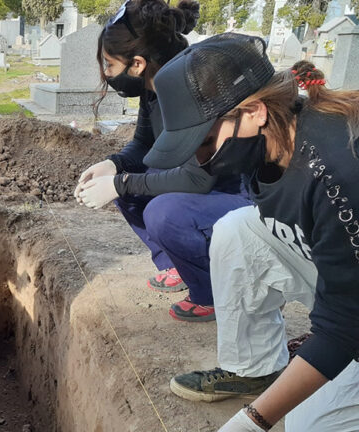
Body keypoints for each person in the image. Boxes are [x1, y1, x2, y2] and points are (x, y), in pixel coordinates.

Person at [143, 33, 359, 431]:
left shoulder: (339, 173)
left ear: (255, 111)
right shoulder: (274, 141)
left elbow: (347, 326)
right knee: (237, 230)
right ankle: (253, 369)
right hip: (348, 282)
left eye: (205, 141)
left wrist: (254, 420)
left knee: (305, 426)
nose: (201, 157)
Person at [74, 0, 252, 322]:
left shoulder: (196, 88)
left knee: (162, 211)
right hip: (199, 182)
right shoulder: (153, 90)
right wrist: (113, 165)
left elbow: (199, 177)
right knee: (125, 185)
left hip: (236, 194)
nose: (108, 75)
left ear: (138, 64)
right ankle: (175, 264)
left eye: (110, 66)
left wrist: (121, 181)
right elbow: (144, 144)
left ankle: (211, 293)